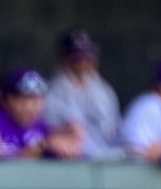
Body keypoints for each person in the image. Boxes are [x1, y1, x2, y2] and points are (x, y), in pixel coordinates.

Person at [0, 67, 83, 159]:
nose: (30, 106)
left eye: (36, 99)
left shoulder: (39, 125)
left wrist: (67, 146)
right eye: (23, 99)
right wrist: (39, 148)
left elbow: (54, 142)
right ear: (5, 100)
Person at [44, 27, 124, 159]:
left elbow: (114, 128)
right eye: (77, 56)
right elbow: (42, 131)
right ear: (63, 58)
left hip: (105, 157)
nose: (83, 61)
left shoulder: (104, 90)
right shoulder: (50, 92)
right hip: (68, 159)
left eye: (87, 56)